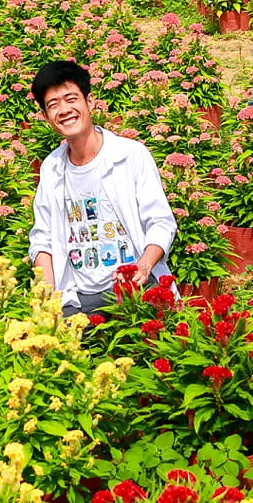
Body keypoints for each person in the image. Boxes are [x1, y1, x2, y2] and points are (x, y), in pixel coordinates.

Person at [27, 59, 178, 318]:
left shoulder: (130, 155)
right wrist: (47, 301)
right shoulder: (51, 167)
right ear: (45, 116)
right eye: (53, 105)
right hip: (79, 298)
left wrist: (143, 266)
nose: (64, 110)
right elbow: (43, 239)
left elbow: (161, 223)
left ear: (90, 101)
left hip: (136, 286)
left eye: (71, 99)